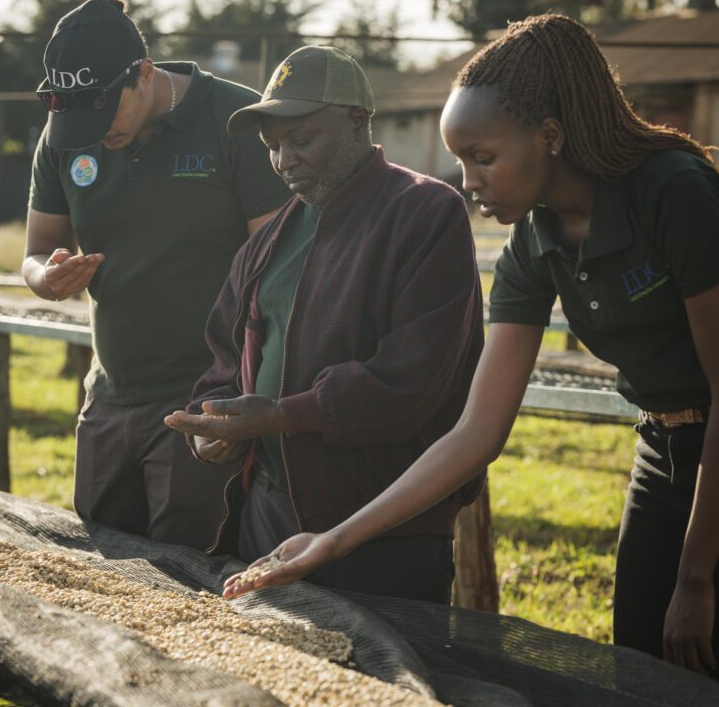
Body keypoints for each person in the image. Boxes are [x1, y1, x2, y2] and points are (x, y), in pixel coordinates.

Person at [222, 16, 719, 707]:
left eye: (483, 156)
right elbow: (476, 433)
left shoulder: (675, 191)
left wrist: (697, 578)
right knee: (639, 671)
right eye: (459, 161)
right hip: (663, 447)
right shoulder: (534, 243)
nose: (468, 181)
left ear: (550, 136)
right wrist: (333, 541)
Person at [164, 45, 485, 604]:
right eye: (272, 147)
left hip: (384, 527)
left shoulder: (425, 213)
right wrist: (213, 431)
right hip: (267, 517)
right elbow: (223, 364)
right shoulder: (263, 245)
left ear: (358, 123)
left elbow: (412, 384)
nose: (285, 159)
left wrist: (283, 415)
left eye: (302, 139)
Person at [22, 0, 290, 550]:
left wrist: (247, 396)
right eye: (74, 117)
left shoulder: (235, 120)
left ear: (144, 73)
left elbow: (280, 269)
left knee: (191, 584)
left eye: (102, 112)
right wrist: (44, 278)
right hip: (110, 396)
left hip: (203, 400)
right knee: (105, 574)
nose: (92, 132)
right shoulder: (63, 133)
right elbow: (38, 248)